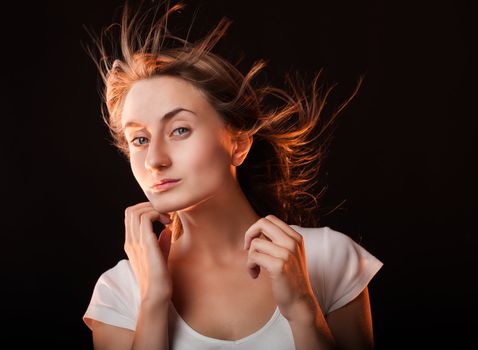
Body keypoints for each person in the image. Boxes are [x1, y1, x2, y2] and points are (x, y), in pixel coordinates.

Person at [82, 1, 383, 349]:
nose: (154, 160)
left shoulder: (330, 257)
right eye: (140, 139)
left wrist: (302, 308)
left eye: (179, 130)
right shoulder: (120, 290)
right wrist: (152, 301)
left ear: (238, 144)